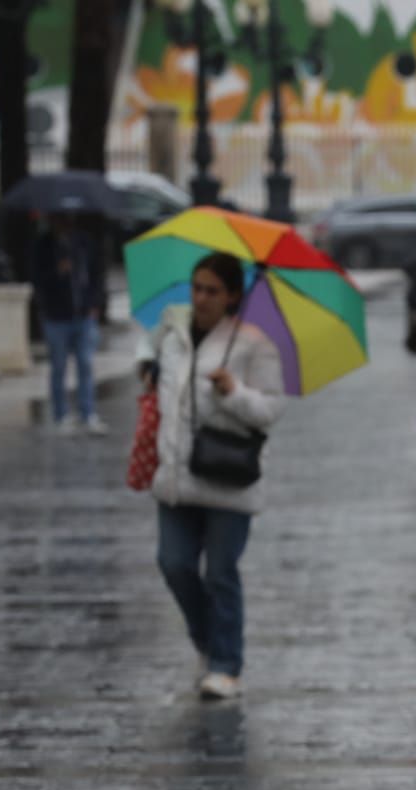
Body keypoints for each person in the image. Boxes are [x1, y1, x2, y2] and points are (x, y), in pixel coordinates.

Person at [141, 252, 284, 701]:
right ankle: (207, 639)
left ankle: (226, 664)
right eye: (196, 287)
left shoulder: (254, 343)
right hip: (175, 475)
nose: (201, 297)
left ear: (232, 296)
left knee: (221, 573)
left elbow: (269, 412)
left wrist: (233, 392)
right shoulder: (172, 334)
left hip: (227, 478)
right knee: (174, 564)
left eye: (212, 290)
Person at [32, 212, 105, 437]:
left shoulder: (84, 243)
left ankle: (88, 413)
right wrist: (57, 272)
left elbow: (96, 274)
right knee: (59, 366)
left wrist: (94, 304)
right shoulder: (44, 245)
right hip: (56, 316)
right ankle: (60, 414)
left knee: (85, 364)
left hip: (83, 314)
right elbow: (36, 278)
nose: (64, 222)